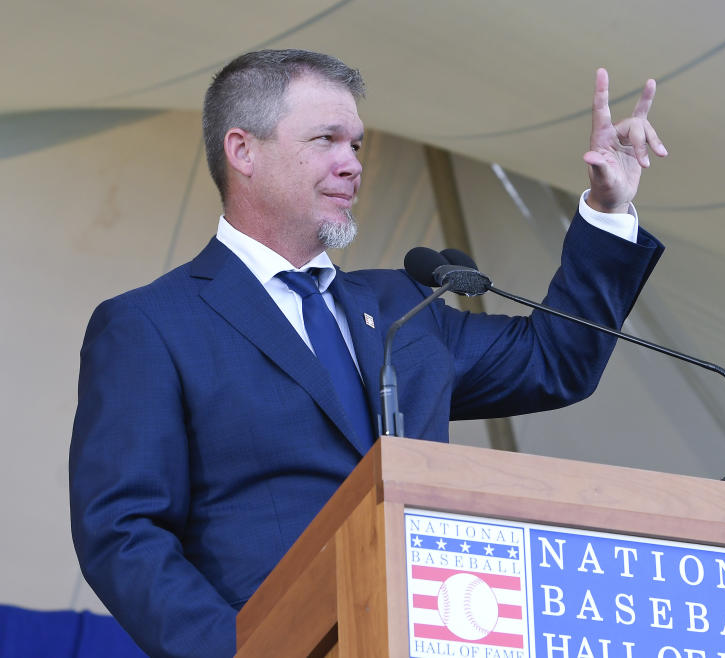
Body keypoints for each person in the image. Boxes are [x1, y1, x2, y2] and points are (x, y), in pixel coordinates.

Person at [69, 49, 667, 657]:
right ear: (243, 151)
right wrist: (244, 651)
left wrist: (609, 208)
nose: (351, 165)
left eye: (356, 145)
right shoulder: (152, 325)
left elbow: (555, 361)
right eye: (327, 139)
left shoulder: (404, 305)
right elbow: (123, 534)